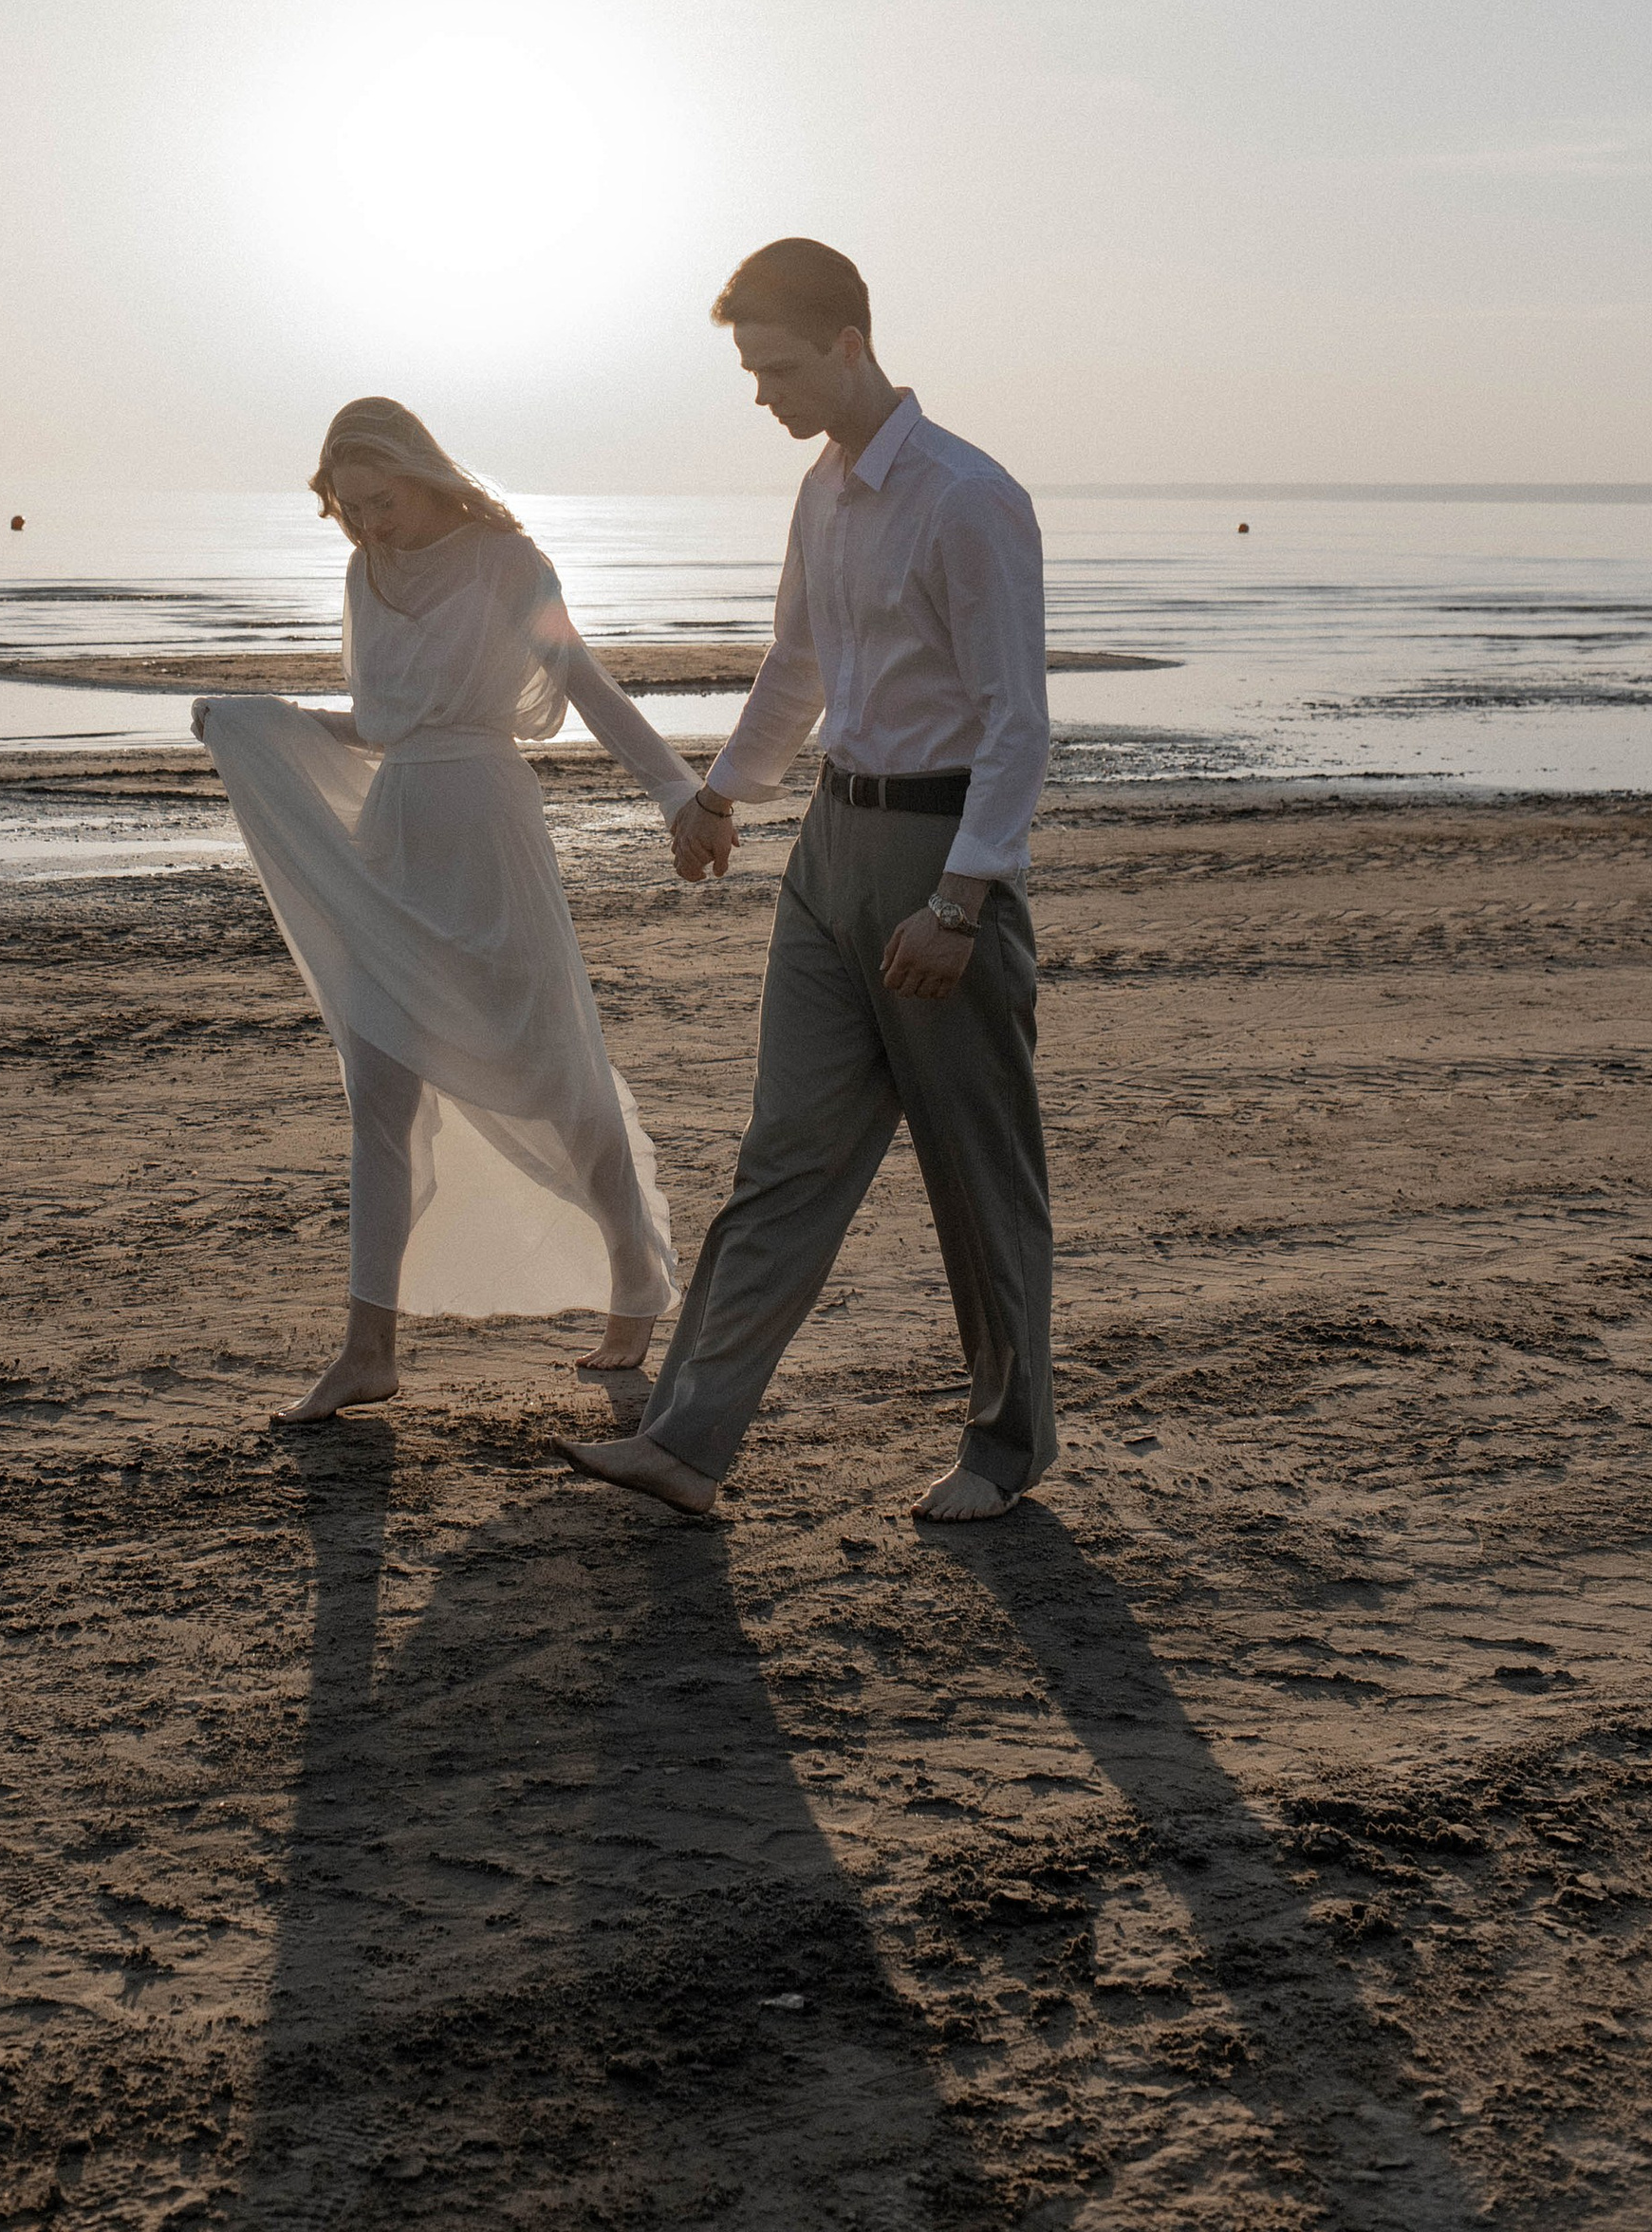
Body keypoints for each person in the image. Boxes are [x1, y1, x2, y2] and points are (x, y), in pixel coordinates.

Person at [566, 237, 1055, 1528]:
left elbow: (1018, 725)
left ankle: (1004, 1454)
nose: (762, 395)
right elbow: (799, 667)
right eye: (747, 369)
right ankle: (685, 1442)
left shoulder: (969, 499)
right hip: (832, 849)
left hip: (942, 862)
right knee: (784, 1157)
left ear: (849, 344)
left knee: (979, 1175)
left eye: (775, 367)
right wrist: (724, 794)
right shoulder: (822, 493)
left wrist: (961, 906)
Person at [195, 398, 711, 1424]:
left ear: (420, 474)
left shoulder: (507, 562)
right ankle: (367, 1349)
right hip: (394, 834)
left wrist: (677, 795)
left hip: (489, 832)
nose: (370, 525)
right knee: (381, 1085)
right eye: (350, 511)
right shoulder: (362, 573)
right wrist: (267, 723)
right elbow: (386, 724)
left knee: (554, 1069)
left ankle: (634, 1278)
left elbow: (587, 686)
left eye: (379, 501)